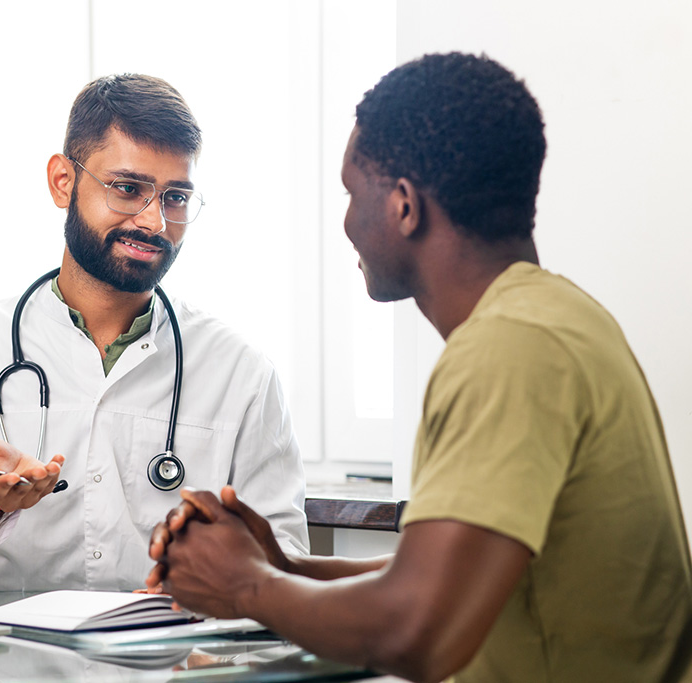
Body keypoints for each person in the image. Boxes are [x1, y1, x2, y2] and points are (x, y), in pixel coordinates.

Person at [148, 53, 692, 683]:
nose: (346, 221)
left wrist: (245, 586)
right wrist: (283, 569)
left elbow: (416, 629)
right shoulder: (558, 315)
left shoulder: (507, 349)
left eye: (352, 193)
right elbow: (435, 574)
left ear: (404, 206)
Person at [0, 74, 309, 598]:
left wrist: (225, 584)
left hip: (170, 670)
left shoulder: (242, 373)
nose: (155, 221)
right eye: (128, 189)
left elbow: (283, 568)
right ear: (63, 181)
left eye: (175, 197)